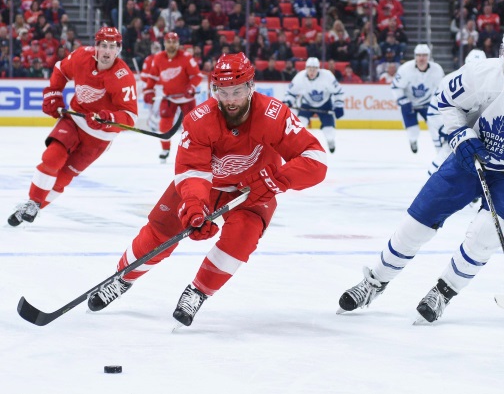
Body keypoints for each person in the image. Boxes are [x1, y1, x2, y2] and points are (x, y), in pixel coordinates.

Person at [337, 19, 504, 323]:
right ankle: (374, 282)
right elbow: (445, 101)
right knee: (414, 225)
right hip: (469, 161)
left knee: (485, 234)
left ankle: (443, 291)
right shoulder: (483, 73)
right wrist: (460, 134)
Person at [86, 53, 328, 327]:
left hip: (253, 190)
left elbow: (316, 161)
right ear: (214, 90)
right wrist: (195, 207)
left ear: (251, 87)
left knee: (242, 238)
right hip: (208, 185)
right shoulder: (199, 120)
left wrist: (276, 181)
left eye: (237, 91)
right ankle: (122, 279)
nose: (231, 99)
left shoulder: (274, 114)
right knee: (161, 231)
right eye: (223, 92)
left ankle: (198, 292)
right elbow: (191, 171)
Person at [7, 27, 138, 226]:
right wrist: (53, 93)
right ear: (95, 47)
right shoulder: (81, 56)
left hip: (98, 138)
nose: (106, 51)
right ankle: (33, 202)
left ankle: (31, 206)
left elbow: (129, 117)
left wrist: (107, 118)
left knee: (62, 179)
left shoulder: (123, 77)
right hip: (75, 121)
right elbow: (60, 69)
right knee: (52, 158)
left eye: (112, 47)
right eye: (103, 46)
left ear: (118, 49)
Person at [142, 32, 203, 163]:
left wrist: (191, 87)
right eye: (169, 42)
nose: (171, 44)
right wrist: (148, 90)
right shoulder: (158, 58)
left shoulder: (186, 57)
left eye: (174, 42)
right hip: (168, 97)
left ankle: (193, 151)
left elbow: (197, 76)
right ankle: (165, 149)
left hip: (186, 98)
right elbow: (152, 77)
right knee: (164, 124)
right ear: (165, 43)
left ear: (178, 43)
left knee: (192, 126)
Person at [426, 49, 487, 176]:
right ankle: (430, 187)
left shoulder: (491, 82)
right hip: (450, 124)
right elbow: (434, 112)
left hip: (472, 128)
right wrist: (451, 130)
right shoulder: (449, 81)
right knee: (446, 156)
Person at [283, 57, 345, 153]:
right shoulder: (300, 77)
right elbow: (291, 93)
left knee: (329, 134)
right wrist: (287, 101)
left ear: (318, 69)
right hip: (307, 104)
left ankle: (331, 142)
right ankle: (295, 147)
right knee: (299, 126)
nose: (312, 72)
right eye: (309, 69)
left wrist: (339, 105)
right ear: (306, 68)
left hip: (325, 105)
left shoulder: (327, 76)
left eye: (314, 69)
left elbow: (338, 92)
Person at [391, 44, 445, 153]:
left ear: (429, 56)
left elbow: (442, 88)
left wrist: (438, 101)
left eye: (424, 55)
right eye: (419, 55)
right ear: (415, 56)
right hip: (409, 103)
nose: (421, 58)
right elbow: (396, 86)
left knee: (435, 127)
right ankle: (413, 140)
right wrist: (402, 100)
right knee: (413, 132)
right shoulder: (405, 69)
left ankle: (440, 152)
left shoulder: (437, 70)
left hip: (428, 103)